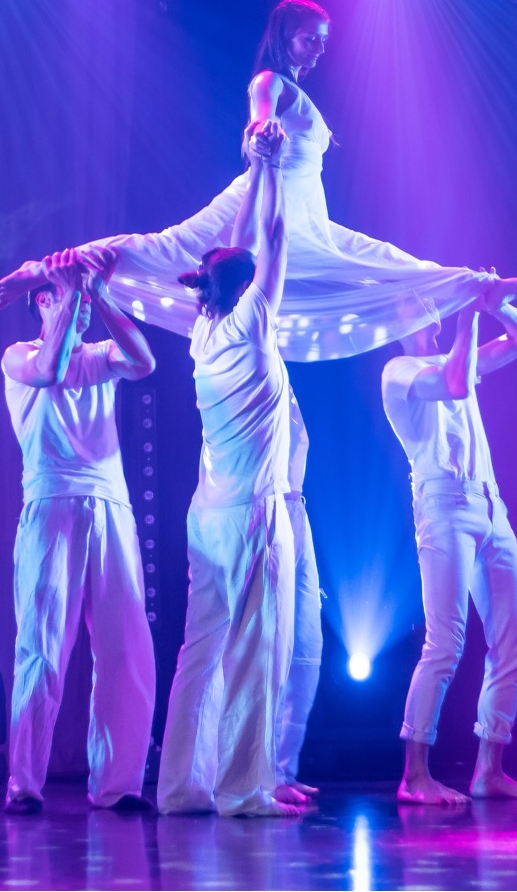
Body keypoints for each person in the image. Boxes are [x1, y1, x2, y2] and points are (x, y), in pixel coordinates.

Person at [0, 0, 517, 362]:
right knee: (161, 249)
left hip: (309, 218)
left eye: (324, 39)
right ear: (286, 38)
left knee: (385, 261)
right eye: (310, 39)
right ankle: (39, 269)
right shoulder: (269, 81)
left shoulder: (298, 90)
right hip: (259, 200)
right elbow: (259, 116)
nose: (320, 48)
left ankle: (483, 287)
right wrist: (262, 133)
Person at [156, 150, 299, 817]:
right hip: (251, 514)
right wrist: (274, 168)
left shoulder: (204, 332)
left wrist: (261, 167)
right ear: (248, 288)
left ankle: (181, 786)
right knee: (253, 649)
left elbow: (243, 245)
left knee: (202, 649)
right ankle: (242, 789)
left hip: (208, 513)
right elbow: (272, 236)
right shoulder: (250, 323)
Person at [1, 248, 158, 813]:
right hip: (52, 505)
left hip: (110, 506)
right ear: (44, 301)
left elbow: (144, 362)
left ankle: (118, 784)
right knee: (42, 649)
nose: (80, 306)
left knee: (126, 649)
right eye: (66, 295)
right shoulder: (19, 356)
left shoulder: (98, 357)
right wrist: (69, 295)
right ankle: (23, 784)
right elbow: (48, 370)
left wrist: (101, 296)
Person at [381, 279, 517, 805]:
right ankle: (414, 776)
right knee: (446, 643)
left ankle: (488, 770)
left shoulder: (460, 358)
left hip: (490, 505)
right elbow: (453, 384)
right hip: (443, 507)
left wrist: (496, 304)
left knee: (514, 639)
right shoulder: (398, 371)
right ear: (396, 323)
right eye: (414, 301)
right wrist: (469, 315)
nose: (426, 304)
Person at [276, 389, 322, 802]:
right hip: (267, 509)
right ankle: (263, 773)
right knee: (272, 649)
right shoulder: (244, 363)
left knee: (307, 650)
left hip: (296, 509)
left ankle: (284, 769)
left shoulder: (284, 380)